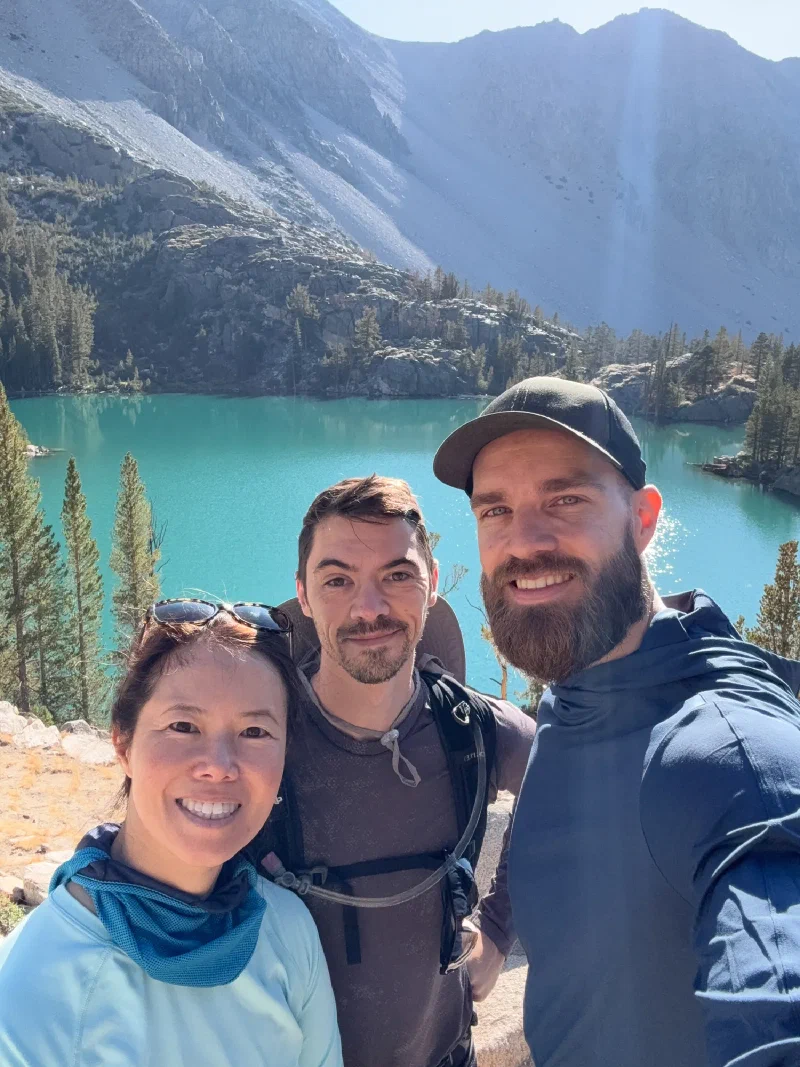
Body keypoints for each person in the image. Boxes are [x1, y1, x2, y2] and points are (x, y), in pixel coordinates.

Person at [433, 376, 800, 1067]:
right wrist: (494, 927)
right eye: (495, 511)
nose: (524, 542)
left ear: (643, 518)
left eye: (564, 499)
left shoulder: (729, 754)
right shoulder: (581, 694)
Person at [249, 476, 537, 1067]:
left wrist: (499, 931)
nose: (369, 607)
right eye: (338, 580)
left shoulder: (474, 731)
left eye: (397, 575)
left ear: (430, 585)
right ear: (303, 594)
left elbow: (561, 790)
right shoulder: (260, 739)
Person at [0, 601, 343, 1067]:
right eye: (183, 726)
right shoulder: (29, 983)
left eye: (255, 732)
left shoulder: (286, 928)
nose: (220, 766)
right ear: (123, 744)